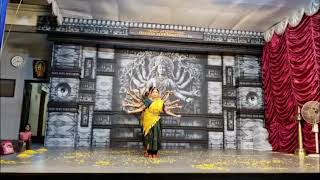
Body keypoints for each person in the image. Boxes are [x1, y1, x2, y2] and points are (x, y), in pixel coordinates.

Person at [126, 87, 181, 158]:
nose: (155, 94)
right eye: (153, 92)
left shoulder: (161, 102)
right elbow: (141, 108)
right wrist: (131, 111)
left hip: (156, 121)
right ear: (151, 93)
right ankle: (149, 152)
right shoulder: (148, 101)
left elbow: (166, 111)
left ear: (158, 94)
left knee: (156, 137)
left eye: (156, 92)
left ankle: (154, 152)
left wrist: (176, 115)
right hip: (148, 120)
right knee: (149, 137)